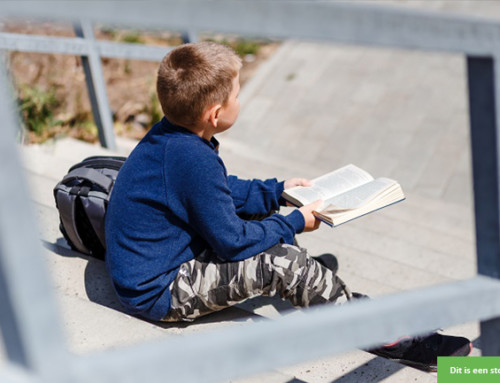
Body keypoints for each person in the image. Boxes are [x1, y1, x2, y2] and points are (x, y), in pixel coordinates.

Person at [105, 41, 471, 372]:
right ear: (215, 115)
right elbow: (231, 241)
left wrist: (277, 192)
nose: (240, 99)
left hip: (160, 261)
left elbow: (218, 191)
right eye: (237, 93)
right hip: (161, 290)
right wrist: (294, 221)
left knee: (265, 219)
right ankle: (385, 337)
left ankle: (318, 288)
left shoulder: (174, 136)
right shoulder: (191, 158)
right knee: (281, 261)